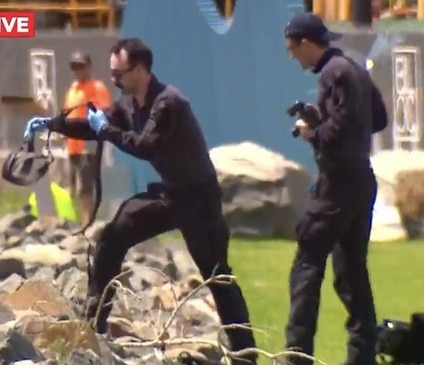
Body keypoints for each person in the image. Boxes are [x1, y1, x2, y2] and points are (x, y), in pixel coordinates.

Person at [23, 37, 258, 364]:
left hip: (199, 199)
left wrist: (107, 130)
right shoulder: (128, 104)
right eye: (113, 74)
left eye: (120, 74)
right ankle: (95, 325)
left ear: (142, 69)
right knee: (111, 237)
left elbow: (146, 146)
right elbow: (94, 126)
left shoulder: (169, 103)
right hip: (169, 193)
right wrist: (52, 124)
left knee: (216, 274)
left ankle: (245, 351)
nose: (115, 80)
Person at [282, 13, 388, 365]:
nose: (292, 56)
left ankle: (297, 355)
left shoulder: (333, 73)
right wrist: (323, 119)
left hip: (337, 185)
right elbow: (380, 118)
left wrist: (314, 130)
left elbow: (335, 134)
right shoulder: (354, 66)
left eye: (293, 49)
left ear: (307, 43)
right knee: (351, 272)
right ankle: (363, 356)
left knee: (307, 265)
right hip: (361, 180)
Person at [62, 51, 111, 227]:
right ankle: (77, 223)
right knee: (73, 188)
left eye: (81, 66)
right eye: (74, 67)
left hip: (87, 144)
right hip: (72, 145)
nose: (77, 71)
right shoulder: (73, 89)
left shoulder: (97, 87)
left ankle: (87, 223)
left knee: (86, 187)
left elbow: (103, 114)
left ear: (89, 67)